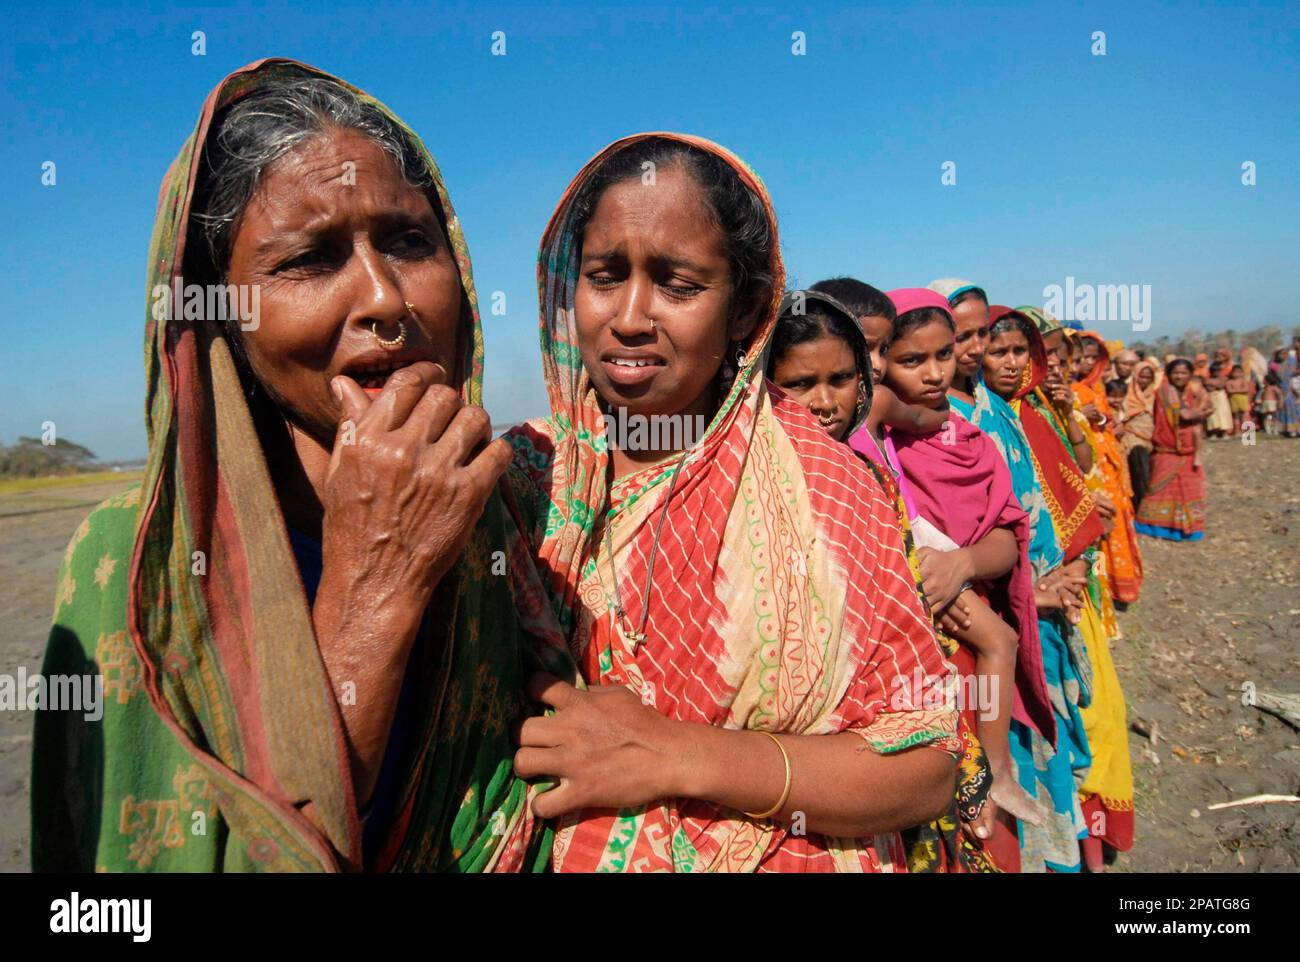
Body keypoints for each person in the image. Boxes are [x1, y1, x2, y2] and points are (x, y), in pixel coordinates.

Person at [31, 60, 574, 873]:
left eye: (408, 242)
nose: (387, 300)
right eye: (311, 260)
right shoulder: (140, 572)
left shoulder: (511, 511)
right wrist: (375, 586)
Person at [507, 134, 961, 872]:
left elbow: (926, 766)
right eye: (603, 276)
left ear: (746, 306)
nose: (628, 316)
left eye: (677, 285)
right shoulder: (521, 481)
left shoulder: (833, 490)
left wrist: (682, 756)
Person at [767, 289, 999, 873]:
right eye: (799, 385)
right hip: (801, 754)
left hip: (897, 736)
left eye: (842, 378)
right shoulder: (753, 488)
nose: (823, 402)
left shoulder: (870, 478)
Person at [878, 288, 1059, 872]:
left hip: (970, 630)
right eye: (912, 360)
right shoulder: (872, 437)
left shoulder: (973, 439)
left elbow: (1010, 537)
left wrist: (962, 564)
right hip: (907, 655)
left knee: (985, 833)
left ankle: (999, 773)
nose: (933, 374)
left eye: (944, 355)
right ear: (880, 359)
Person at [955, 305, 1097, 872]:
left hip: (1044, 596)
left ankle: (1068, 852)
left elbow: (1048, 501)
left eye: (1016, 350)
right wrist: (1031, 593)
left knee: (1051, 741)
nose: (1008, 361)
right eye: (996, 349)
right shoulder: (951, 425)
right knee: (1013, 744)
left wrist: (1069, 567)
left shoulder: (1008, 413)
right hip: (1003, 610)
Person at [1069, 332, 1144, 606]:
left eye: (1091, 358)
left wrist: (1101, 419)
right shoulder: (1068, 392)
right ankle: (1101, 590)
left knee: (1113, 524)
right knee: (1097, 528)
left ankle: (1115, 587)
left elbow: (1105, 419)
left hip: (1107, 466)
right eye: (1080, 358)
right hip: (1089, 470)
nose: (1085, 365)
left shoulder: (1095, 389)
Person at [1135, 359, 1212, 541]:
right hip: (1167, 450)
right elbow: (1185, 415)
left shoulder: (1190, 392)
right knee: (1161, 490)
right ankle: (1156, 526)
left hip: (1188, 451)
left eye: (1184, 373)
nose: (1180, 376)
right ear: (1169, 375)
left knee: (1189, 489)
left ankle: (1187, 527)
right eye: (1176, 373)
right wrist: (1203, 412)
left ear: (1190, 375)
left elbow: (1207, 403)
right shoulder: (1165, 392)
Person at [927, 278, 990, 404]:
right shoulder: (923, 411)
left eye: (983, 333)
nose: (978, 349)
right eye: (962, 337)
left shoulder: (1001, 410)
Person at [1118, 360, 1160, 508]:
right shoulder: (1127, 394)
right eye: (1141, 376)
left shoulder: (1156, 396)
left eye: (1148, 377)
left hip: (1150, 439)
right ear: (1135, 376)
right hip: (1130, 440)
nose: (1144, 380)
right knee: (1136, 473)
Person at [1203, 360, 1234, 438]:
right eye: (1214, 371)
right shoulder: (1207, 379)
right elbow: (1208, 387)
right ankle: (1213, 433)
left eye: (1217, 371)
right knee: (1213, 415)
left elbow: (1221, 385)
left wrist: (1213, 385)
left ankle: (1224, 432)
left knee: (1223, 414)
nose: (1216, 373)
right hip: (1211, 398)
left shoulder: (1223, 378)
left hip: (1221, 398)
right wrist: (1214, 385)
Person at [1224, 364, 1255, 436]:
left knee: (1243, 416)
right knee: (1236, 417)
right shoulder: (1230, 382)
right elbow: (1229, 390)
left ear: (1242, 373)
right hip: (1234, 400)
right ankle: (1237, 431)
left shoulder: (1243, 381)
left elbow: (1246, 389)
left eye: (1239, 372)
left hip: (1242, 400)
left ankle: (1245, 431)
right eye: (1235, 372)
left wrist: (1235, 390)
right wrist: (1239, 390)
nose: (1237, 374)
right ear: (1231, 373)